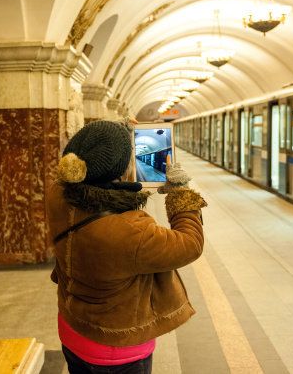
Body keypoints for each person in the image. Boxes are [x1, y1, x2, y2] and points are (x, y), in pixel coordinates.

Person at [46, 119, 207, 374]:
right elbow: (190, 244)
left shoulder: (57, 195)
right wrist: (180, 192)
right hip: (115, 347)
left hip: (71, 327)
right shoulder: (132, 231)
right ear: (120, 171)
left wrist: (114, 139)